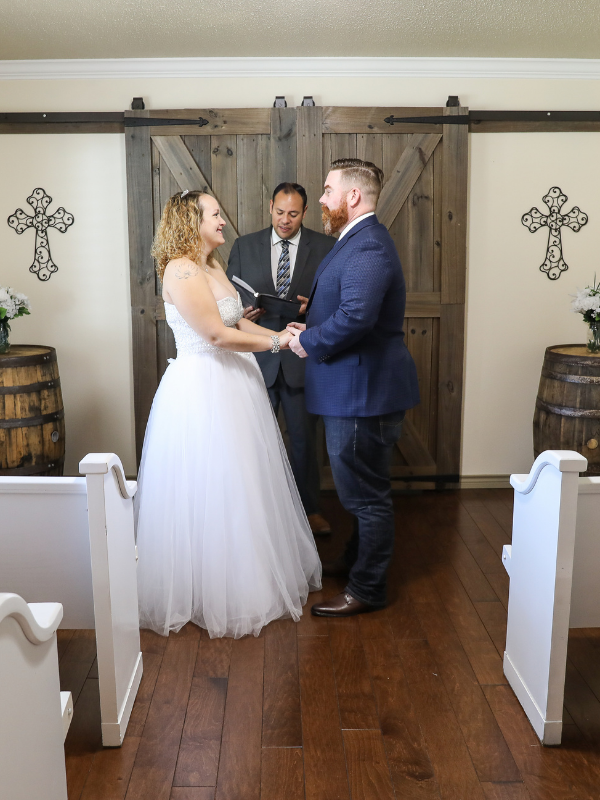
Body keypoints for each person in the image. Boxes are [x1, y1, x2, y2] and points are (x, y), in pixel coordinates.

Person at [134, 189, 322, 639]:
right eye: (215, 214)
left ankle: (248, 577)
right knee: (209, 484)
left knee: (244, 483)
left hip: (237, 384)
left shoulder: (211, 264)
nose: (224, 220)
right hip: (203, 388)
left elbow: (239, 322)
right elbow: (216, 336)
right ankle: (205, 589)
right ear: (191, 220)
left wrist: (284, 331)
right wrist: (279, 344)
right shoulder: (180, 270)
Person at [287, 159, 420, 617]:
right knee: (366, 489)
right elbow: (347, 304)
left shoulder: (368, 247)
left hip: (362, 394)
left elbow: (358, 319)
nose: (320, 200)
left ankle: (367, 588)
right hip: (358, 389)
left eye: (327, 190)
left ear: (353, 197)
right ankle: (355, 562)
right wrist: (311, 313)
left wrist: (305, 340)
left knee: (365, 496)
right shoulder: (357, 240)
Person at [227, 183, 335, 536]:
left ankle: (309, 512)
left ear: (304, 213)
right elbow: (228, 298)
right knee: (254, 442)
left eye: (293, 214)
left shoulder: (325, 247)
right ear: (270, 206)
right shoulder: (244, 246)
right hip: (257, 359)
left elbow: (336, 304)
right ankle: (257, 515)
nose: (285, 220)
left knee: (305, 442)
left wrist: (313, 309)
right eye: (279, 212)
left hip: (302, 359)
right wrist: (243, 314)